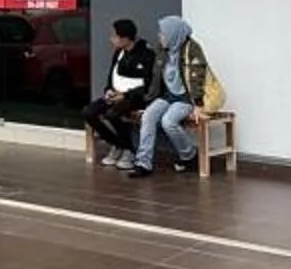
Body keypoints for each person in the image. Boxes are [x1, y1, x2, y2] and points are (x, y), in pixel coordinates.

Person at [123, 14, 224, 177]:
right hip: (168, 95)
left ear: (173, 33)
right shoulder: (163, 49)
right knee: (148, 116)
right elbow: (156, 77)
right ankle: (143, 163)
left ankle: (189, 154)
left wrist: (198, 104)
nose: (159, 36)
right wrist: (148, 100)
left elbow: (197, 76)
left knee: (168, 121)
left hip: (186, 98)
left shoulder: (192, 49)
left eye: (162, 33)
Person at [83, 17, 153, 168]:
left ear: (126, 38)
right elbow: (111, 76)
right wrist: (108, 90)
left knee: (113, 114)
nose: (111, 39)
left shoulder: (146, 53)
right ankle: (118, 144)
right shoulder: (119, 53)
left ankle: (130, 150)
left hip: (135, 98)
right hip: (116, 94)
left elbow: (149, 84)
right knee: (89, 112)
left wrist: (125, 95)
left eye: (114, 36)